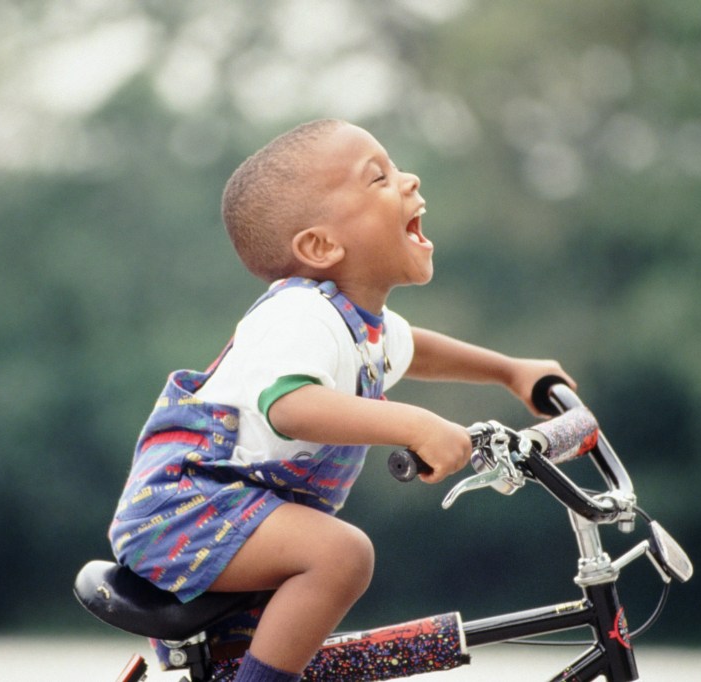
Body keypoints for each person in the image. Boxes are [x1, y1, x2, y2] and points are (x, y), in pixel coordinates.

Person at [108, 118, 575, 681]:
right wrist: (415, 424)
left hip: (233, 513)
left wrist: (510, 372)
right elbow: (291, 405)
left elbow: (415, 350)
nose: (408, 179)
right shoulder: (300, 314)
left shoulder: (359, 327)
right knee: (341, 556)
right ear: (322, 245)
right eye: (378, 177)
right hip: (183, 507)